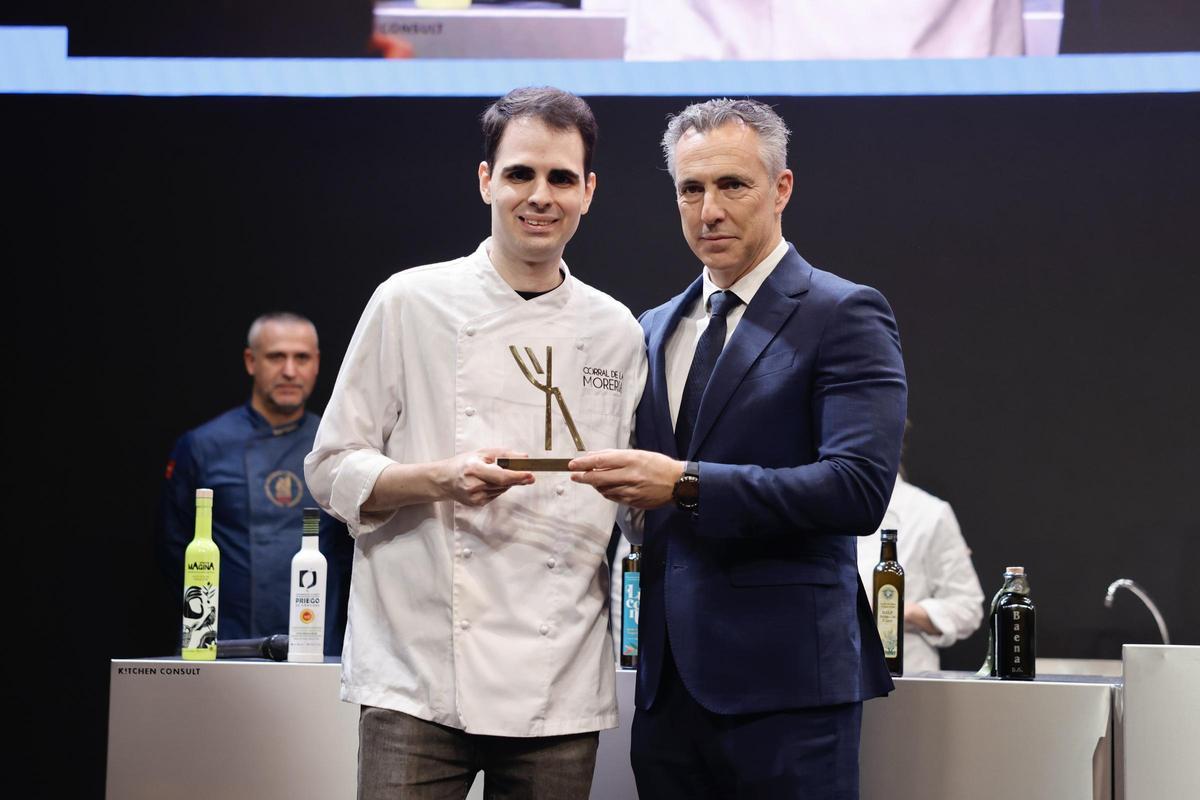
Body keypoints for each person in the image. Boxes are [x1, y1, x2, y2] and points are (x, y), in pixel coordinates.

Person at [304, 87, 646, 799]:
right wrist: (439, 478)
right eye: (520, 173)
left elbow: (635, 507)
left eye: (560, 179)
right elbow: (330, 467)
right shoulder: (408, 302)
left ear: (589, 192)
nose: (539, 196)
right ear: (486, 180)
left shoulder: (618, 332)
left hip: (559, 682)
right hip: (418, 677)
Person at [570, 98, 907, 798]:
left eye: (732, 185)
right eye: (690, 189)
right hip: (666, 695)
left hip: (789, 693)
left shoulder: (843, 312)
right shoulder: (655, 325)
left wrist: (686, 484)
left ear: (781, 189)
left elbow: (858, 489)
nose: (709, 209)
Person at [157, 312, 352, 651]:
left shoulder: (337, 447)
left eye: (301, 358)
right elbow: (174, 548)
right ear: (251, 361)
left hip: (318, 647)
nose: (290, 370)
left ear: (317, 364)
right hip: (220, 643)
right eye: (277, 356)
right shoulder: (203, 446)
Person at [858, 470, 985, 674]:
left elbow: (967, 606)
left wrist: (896, 610)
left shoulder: (928, 512)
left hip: (906, 678)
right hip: (829, 678)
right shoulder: (818, 509)